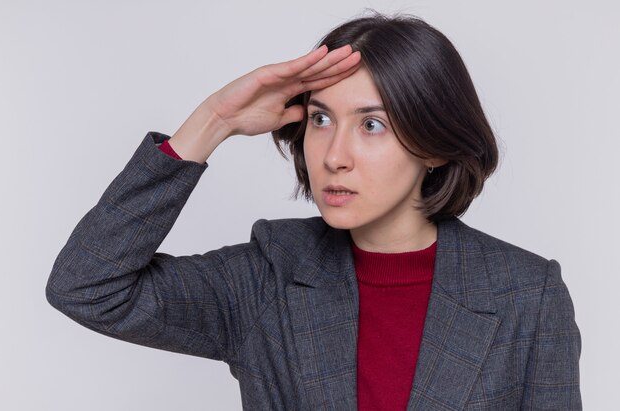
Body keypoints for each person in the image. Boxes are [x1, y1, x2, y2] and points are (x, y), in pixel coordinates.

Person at [45, 11, 581, 410]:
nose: (333, 156)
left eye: (372, 125)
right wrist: (213, 121)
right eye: (321, 120)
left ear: (435, 143)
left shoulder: (526, 296)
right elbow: (88, 287)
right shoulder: (269, 276)